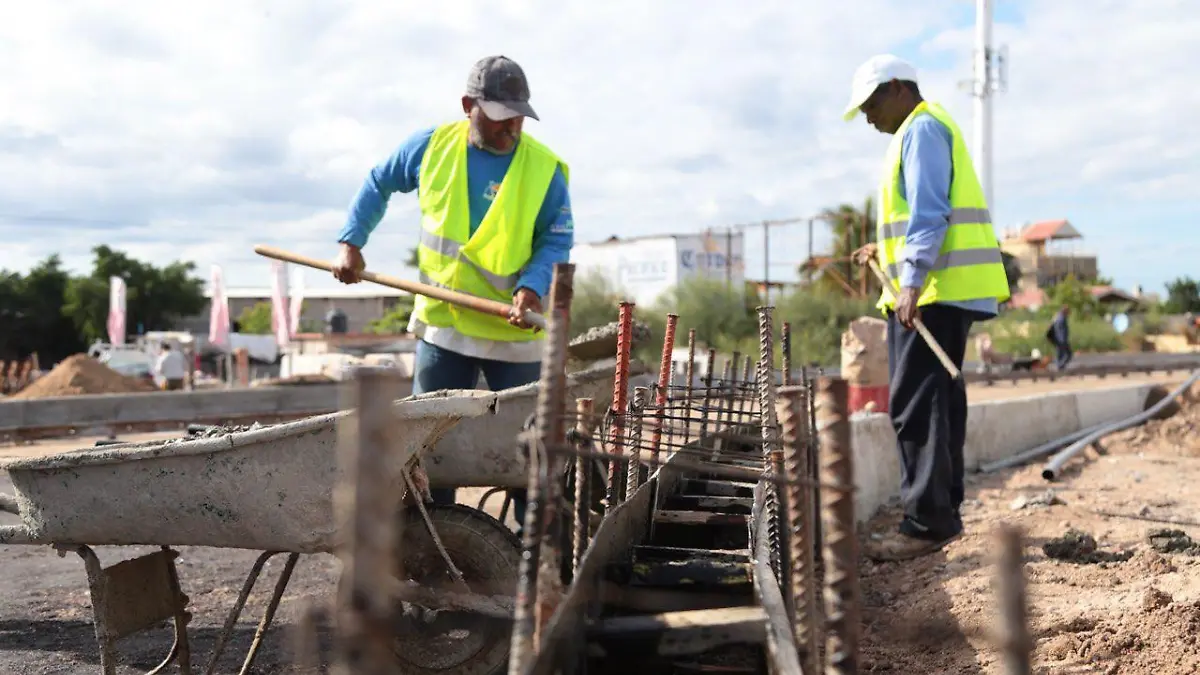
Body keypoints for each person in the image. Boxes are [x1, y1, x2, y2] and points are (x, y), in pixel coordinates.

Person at [331, 55, 574, 534]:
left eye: (520, 115)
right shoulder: (431, 148)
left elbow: (556, 238)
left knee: (531, 447)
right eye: (503, 116)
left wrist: (531, 286)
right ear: (469, 106)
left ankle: (537, 557)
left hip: (514, 331)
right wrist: (351, 242)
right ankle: (432, 549)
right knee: (430, 448)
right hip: (445, 326)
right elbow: (379, 181)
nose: (513, 128)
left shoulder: (543, 168)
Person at [844, 54, 1011, 561]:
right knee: (938, 403)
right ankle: (941, 513)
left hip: (931, 295)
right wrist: (887, 254)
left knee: (917, 407)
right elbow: (916, 215)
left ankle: (926, 524)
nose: (869, 118)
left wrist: (911, 282)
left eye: (872, 105)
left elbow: (930, 211)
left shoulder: (921, 130)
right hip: (934, 293)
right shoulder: (920, 130)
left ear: (898, 88)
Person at [1047, 305, 1072, 370]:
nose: (1068, 313)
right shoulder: (1061, 318)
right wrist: (1062, 340)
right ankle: (1059, 367)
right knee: (1066, 354)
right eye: (1068, 311)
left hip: (1059, 340)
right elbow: (1060, 330)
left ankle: (1060, 367)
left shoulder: (1057, 317)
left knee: (1062, 354)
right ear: (1065, 311)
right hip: (1060, 340)